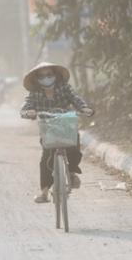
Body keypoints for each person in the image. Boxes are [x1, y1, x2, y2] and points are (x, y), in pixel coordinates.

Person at [20, 62, 94, 203]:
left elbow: (75, 98)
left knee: (74, 144)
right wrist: (27, 112)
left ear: (55, 76)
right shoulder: (34, 93)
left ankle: (71, 173)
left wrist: (84, 108)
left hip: (66, 125)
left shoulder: (64, 88)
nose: (46, 78)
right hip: (47, 128)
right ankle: (44, 192)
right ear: (37, 79)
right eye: (42, 76)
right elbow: (26, 105)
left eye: (49, 75)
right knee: (46, 157)